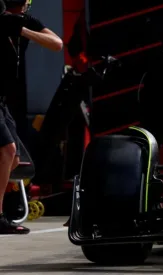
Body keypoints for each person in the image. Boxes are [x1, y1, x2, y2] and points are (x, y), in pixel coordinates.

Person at [0, 0, 63, 234]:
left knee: (13, 159)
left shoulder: (25, 22)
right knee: (6, 151)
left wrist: (21, 30)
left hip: (3, 100)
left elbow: (57, 43)